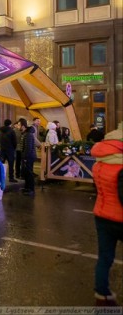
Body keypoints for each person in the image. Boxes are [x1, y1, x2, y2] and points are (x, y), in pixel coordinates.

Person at [90, 127, 122, 306]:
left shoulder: (98, 164)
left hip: (101, 215)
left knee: (104, 257)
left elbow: (98, 190)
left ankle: (101, 294)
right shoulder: (121, 167)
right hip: (119, 217)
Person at [21, 121, 38, 196]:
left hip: (29, 157)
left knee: (29, 173)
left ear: (23, 126)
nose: (18, 127)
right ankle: (27, 187)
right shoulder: (27, 134)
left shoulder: (28, 135)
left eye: (19, 125)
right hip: (29, 156)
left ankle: (31, 189)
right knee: (27, 173)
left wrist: (25, 157)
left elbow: (28, 148)